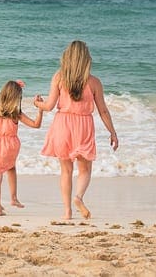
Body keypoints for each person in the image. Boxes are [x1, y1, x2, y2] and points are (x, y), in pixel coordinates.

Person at [34, 40, 119, 220]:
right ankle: (78, 197)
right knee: (85, 170)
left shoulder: (59, 77)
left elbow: (49, 106)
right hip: (83, 126)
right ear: (86, 59)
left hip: (62, 125)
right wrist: (113, 132)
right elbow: (103, 110)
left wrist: (36, 103)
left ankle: (67, 212)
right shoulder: (94, 82)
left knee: (65, 171)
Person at [0, 80, 44, 216]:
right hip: (10, 146)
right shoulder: (16, 113)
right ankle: (13, 198)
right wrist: (40, 110)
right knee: (11, 168)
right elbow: (36, 125)